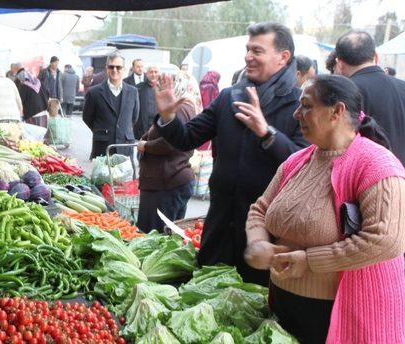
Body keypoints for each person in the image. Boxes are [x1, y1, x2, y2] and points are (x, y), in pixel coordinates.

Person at [244, 75, 405, 343]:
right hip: (286, 307)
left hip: (345, 314)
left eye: (306, 106)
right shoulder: (296, 161)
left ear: (337, 111)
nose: (297, 114)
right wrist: (258, 242)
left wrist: (310, 261)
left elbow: (386, 240)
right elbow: (259, 209)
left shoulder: (376, 164)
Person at [154, 22, 308, 286]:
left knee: (253, 307)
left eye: (257, 51)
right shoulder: (229, 97)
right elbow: (187, 138)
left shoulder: (298, 104)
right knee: (205, 297)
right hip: (220, 223)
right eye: (248, 49)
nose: (248, 56)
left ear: (283, 57)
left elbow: (304, 165)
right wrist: (168, 117)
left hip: (265, 234)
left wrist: (267, 133)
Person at [136, 72, 201, 232]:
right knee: (167, 233)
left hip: (166, 183)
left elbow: (170, 143)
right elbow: (161, 132)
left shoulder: (181, 108)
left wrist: (145, 145)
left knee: (154, 235)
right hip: (168, 180)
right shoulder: (185, 107)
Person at [335, 30, 405, 165]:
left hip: (366, 177)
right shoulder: (403, 86)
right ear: (376, 57)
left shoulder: (343, 94)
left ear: (340, 64)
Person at [82, 53, 140, 159]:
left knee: (125, 176)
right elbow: (87, 117)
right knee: (103, 176)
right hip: (102, 147)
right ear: (106, 68)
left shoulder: (133, 92)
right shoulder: (94, 92)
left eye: (118, 67)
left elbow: (134, 117)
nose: (115, 70)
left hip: (125, 146)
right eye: (111, 67)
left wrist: (122, 130)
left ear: (124, 69)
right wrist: (101, 130)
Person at [133, 65, 159, 140]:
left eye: (155, 72)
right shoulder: (138, 88)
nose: (153, 74)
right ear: (146, 74)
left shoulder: (163, 89)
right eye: (151, 72)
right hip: (141, 129)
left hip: (157, 127)